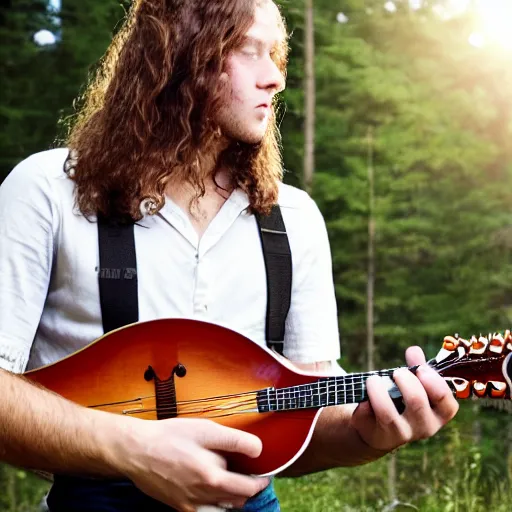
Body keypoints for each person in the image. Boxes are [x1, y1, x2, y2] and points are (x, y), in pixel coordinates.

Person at [0, 0, 459, 511]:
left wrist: (367, 435)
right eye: (248, 50)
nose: (275, 78)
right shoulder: (47, 191)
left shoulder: (294, 218)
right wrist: (132, 450)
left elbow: (304, 426)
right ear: (176, 56)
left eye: (276, 54)